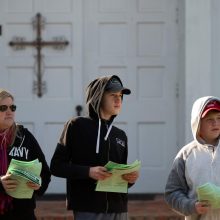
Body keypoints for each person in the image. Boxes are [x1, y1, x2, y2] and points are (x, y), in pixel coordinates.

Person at [50, 75, 139, 220]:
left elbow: (120, 180)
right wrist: (88, 172)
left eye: (120, 96)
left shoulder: (121, 135)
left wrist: (129, 179)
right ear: (98, 97)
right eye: (113, 95)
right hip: (88, 209)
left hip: (120, 210)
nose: (118, 100)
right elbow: (56, 166)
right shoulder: (76, 126)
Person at [164, 96, 220, 220]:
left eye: (219, 118)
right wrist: (191, 206)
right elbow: (172, 193)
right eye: (209, 119)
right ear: (197, 123)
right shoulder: (185, 154)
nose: (215, 123)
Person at [0, 89, 51, 220]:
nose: (9, 111)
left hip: (23, 213)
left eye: (13, 107)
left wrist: (39, 182)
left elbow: (44, 171)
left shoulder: (24, 136)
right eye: (3, 107)